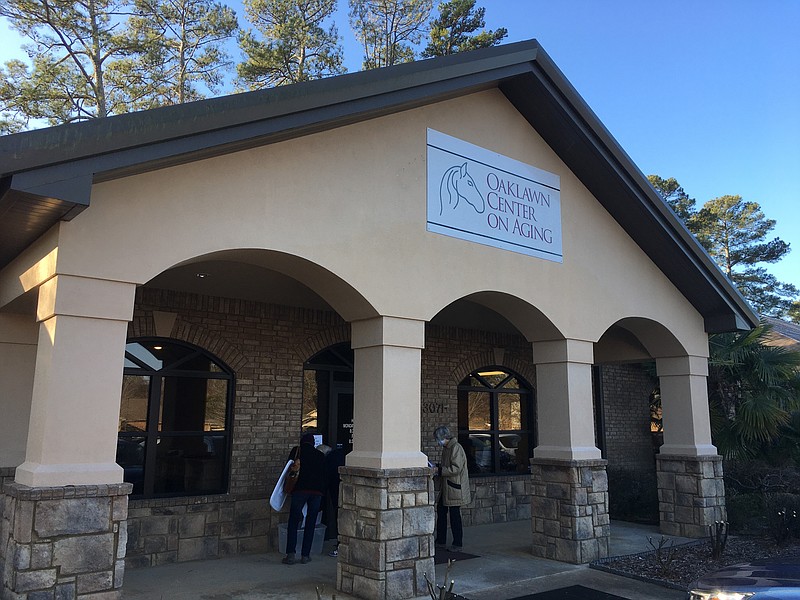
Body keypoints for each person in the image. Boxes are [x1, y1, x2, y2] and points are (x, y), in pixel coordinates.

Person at [283, 432, 326, 565]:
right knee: (310, 523)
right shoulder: (320, 455)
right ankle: (305, 555)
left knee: (294, 521)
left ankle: (290, 554)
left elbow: (289, 469)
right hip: (316, 492)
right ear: (313, 443)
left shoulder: (297, 451)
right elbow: (325, 475)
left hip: (300, 491)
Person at [433, 425, 471, 552]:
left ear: (444, 437)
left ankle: (457, 543)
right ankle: (441, 540)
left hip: (454, 487)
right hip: (447, 486)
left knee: (455, 516)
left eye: (439, 439)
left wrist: (439, 470)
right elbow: (447, 466)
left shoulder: (456, 448)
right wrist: (438, 468)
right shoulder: (447, 448)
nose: (439, 442)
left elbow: (456, 468)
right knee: (441, 512)